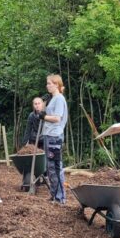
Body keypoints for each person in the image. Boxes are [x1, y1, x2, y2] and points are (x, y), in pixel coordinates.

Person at [38, 75, 68, 204]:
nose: (47, 85)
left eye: (49, 83)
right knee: (50, 166)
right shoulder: (53, 98)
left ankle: (60, 197)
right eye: (47, 83)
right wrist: (44, 104)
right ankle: (54, 194)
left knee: (55, 166)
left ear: (56, 85)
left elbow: (57, 118)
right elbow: (45, 112)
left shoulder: (59, 99)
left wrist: (44, 117)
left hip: (54, 136)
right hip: (49, 134)